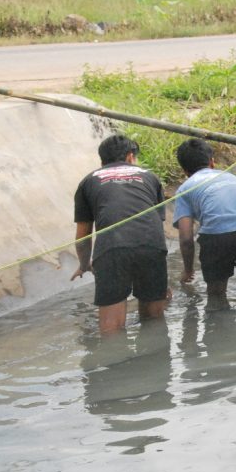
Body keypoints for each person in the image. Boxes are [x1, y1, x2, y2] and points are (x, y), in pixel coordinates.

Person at [72, 134, 169, 335]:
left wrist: (84, 264)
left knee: (111, 329)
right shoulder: (150, 177)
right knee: (154, 321)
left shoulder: (88, 181)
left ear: (102, 161)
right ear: (131, 157)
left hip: (111, 248)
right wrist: (161, 278)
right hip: (151, 245)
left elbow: (83, 236)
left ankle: (115, 354)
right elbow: (156, 225)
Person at [173, 137, 236, 310]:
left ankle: (219, 324)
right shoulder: (232, 177)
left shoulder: (184, 188)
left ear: (184, 170)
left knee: (216, 300)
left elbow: (186, 239)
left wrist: (188, 270)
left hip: (218, 236)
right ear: (212, 162)